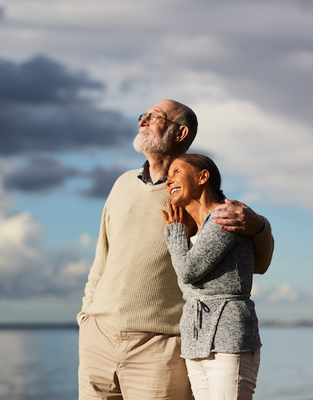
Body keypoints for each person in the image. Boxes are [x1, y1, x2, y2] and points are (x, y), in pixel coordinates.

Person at [77, 99, 274, 400]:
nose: (143, 121)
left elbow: (255, 262)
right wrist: (86, 317)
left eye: (154, 117)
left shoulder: (193, 198)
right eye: (143, 115)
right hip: (98, 340)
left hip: (161, 347)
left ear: (180, 133)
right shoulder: (122, 184)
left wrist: (260, 225)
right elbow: (101, 257)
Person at [161, 154, 261, 400]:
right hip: (196, 339)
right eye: (167, 175)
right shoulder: (201, 227)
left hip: (228, 336)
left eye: (176, 172)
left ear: (203, 177)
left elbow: (188, 271)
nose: (168, 180)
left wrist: (175, 234)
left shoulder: (224, 217)